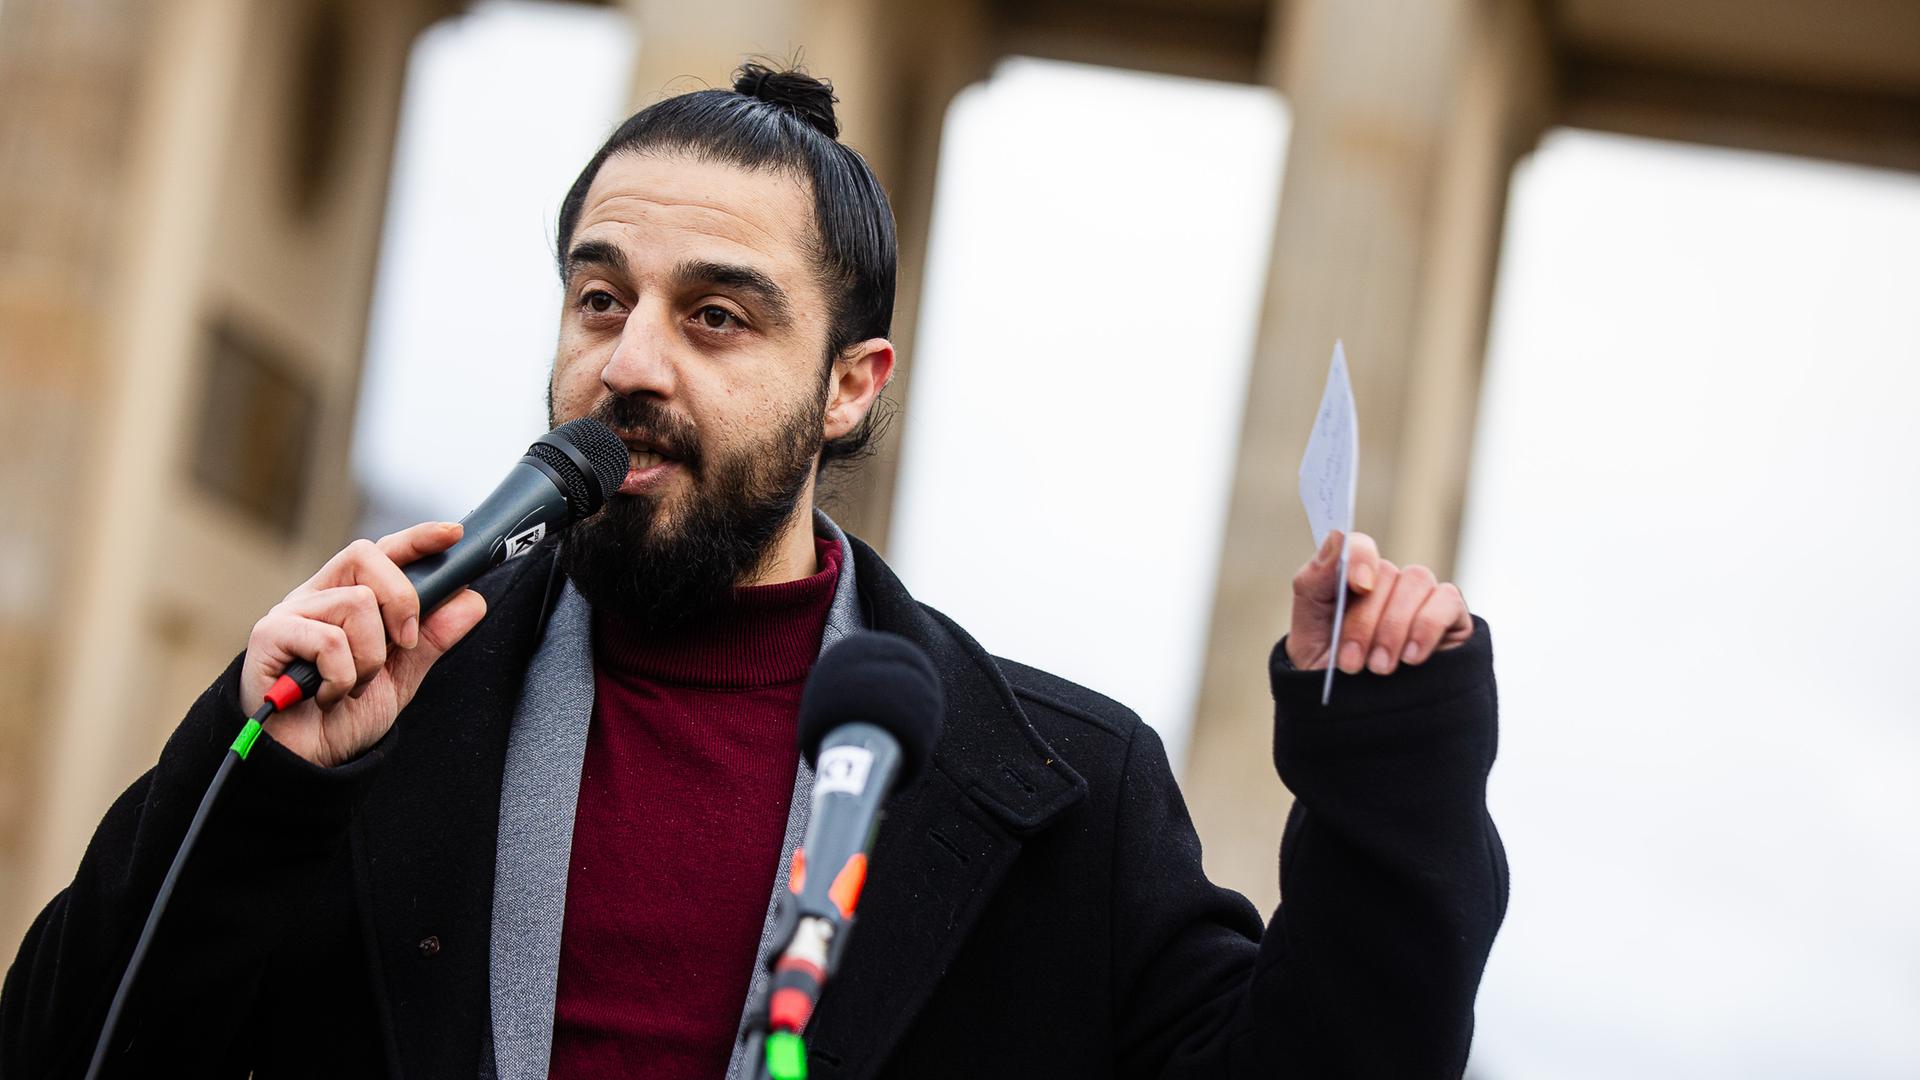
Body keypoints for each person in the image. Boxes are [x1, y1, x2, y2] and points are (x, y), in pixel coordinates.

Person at [1, 63, 1505, 1079]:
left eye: (718, 317)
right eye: (601, 297)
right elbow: (71, 1040)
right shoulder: (376, 710)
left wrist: (1393, 771)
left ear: (850, 385)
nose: (630, 362)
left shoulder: (1068, 791)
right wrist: (262, 781)